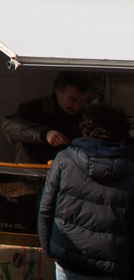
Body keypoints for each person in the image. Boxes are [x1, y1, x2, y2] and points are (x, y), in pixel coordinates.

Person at [37, 104, 134, 280]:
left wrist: (49, 249)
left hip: (68, 262)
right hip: (111, 269)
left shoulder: (64, 159)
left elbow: (46, 209)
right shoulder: (129, 171)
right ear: (121, 136)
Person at [4, 72, 94, 165]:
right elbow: (8, 125)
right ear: (57, 92)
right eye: (72, 99)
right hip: (35, 175)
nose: (76, 107)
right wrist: (44, 134)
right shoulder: (34, 108)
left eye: (82, 101)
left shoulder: (86, 115)